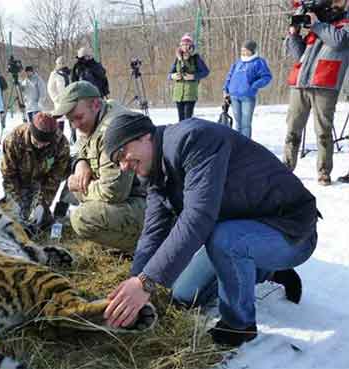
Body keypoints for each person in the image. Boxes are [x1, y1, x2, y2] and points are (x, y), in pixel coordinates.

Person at [101, 112, 318, 347]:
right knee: (183, 295)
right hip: (241, 230)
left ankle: (239, 325)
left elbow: (198, 218)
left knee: (223, 240)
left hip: (290, 232)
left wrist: (146, 282)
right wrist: (135, 281)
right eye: (117, 161)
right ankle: (267, 271)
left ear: (144, 136)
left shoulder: (193, 139)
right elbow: (153, 232)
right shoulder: (154, 172)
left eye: (123, 154)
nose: (124, 166)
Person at [51, 81, 146, 252]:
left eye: (78, 118)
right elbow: (83, 146)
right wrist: (81, 163)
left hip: (149, 204)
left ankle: (145, 246)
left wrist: (80, 187)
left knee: (82, 218)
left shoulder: (112, 131)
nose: (75, 126)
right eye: (70, 120)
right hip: (132, 197)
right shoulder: (98, 114)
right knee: (77, 180)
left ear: (95, 104)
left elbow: (113, 193)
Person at [283, 0, 349, 186]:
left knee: (323, 130)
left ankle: (324, 171)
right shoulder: (318, 24)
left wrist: (317, 25)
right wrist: (293, 35)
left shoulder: (343, 24)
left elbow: (338, 42)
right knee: (292, 128)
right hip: (300, 81)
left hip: (325, 82)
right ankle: (286, 167)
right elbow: (298, 54)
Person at [0, 112, 70, 232]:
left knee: (41, 219)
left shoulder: (61, 143)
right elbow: (9, 176)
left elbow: (54, 179)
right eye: (37, 142)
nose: (41, 146)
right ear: (31, 132)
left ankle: (59, 214)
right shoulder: (13, 140)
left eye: (45, 144)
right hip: (20, 182)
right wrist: (15, 203)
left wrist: (42, 204)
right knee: (14, 218)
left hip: (42, 181)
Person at [223, 40, 272, 139]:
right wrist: (225, 90)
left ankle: (246, 144)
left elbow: (266, 77)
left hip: (247, 97)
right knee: (237, 122)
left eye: (246, 50)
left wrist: (254, 85)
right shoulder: (238, 62)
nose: (243, 52)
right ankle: (237, 143)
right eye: (242, 50)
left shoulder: (258, 62)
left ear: (252, 51)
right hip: (234, 96)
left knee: (245, 123)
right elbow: (229, 76)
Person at [168, 33, 210, 121]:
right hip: (178, 94)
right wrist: (173, 76)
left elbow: (206, 72)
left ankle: (188, 134)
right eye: (183, 44)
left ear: (191, 45)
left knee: (188, 119)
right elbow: (169, 74)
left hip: (190, 93)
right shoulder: (177, 58)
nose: (185, 46)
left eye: (187, 44)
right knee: (181, 120)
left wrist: (193, 76)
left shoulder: (195, 58)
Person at [48, 56, 76, 143]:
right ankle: (59, 140)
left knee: (72, 118)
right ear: (57, 64)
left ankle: (73, 137)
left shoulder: (70, 73)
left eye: (63, 63)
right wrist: (56, 98)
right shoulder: (54, 74)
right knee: (60, 120)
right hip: (60, 101)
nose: (61, 65)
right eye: (60, 63)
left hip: (71, 99)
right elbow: (50, 88)